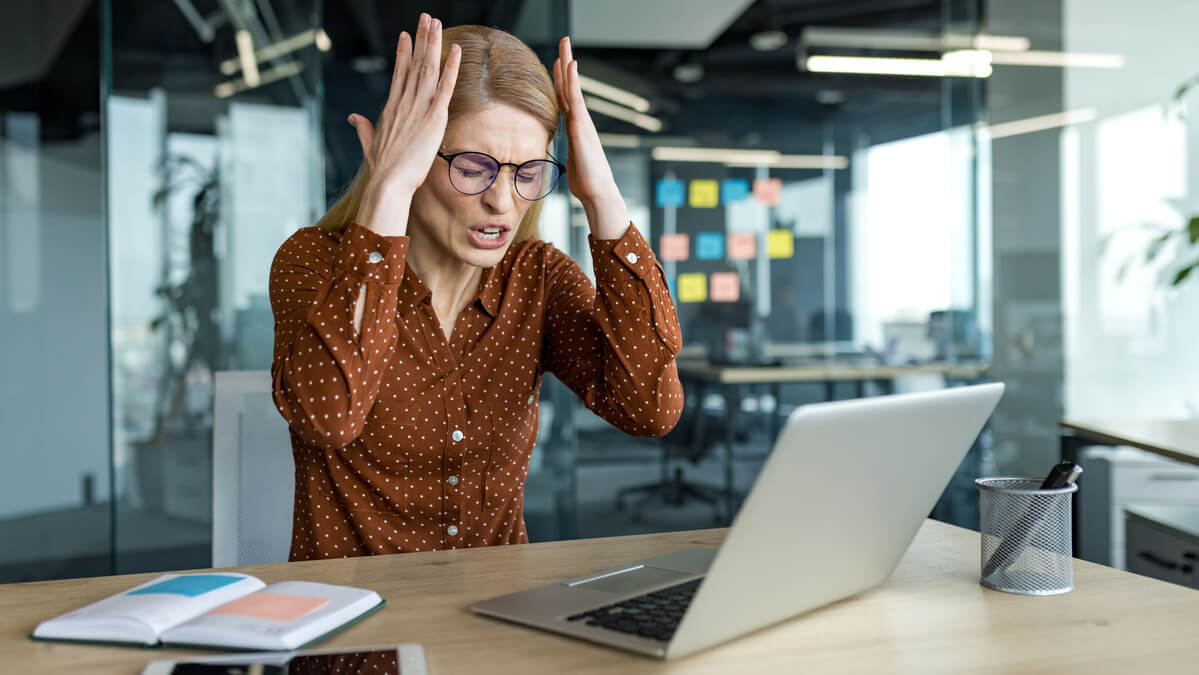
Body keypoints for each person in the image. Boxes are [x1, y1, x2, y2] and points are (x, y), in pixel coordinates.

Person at [269, 14, 683, 561]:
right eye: (473, 167)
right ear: (412, 156)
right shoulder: (317, 262)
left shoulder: (536, 278)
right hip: (360, 633)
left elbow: (650, 408)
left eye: (528, 172)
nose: (503, 201)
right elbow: (330, 417)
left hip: (495, 621)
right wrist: (388, 189)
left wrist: (602, 199)